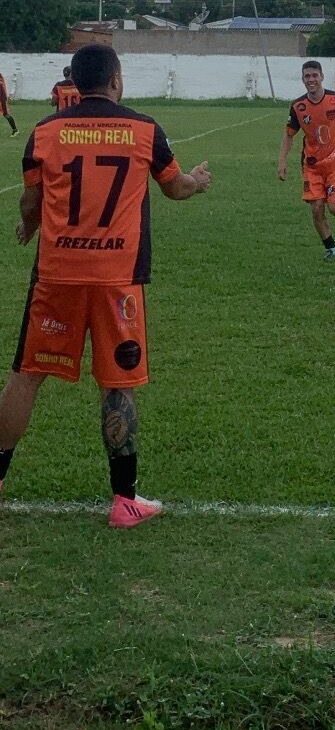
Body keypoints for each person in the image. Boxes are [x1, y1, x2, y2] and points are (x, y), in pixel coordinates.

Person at [0, 43, 212, 528]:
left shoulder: (45, 131)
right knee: (117, 383)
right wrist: (198, 182)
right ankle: (125, 501)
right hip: (118, 279)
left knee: (26, 375)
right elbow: (175, 187)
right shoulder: (144, 130)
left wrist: (30, 227)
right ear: (116, 80)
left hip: (57, 274)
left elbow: (31, 202)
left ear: (74, 83)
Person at [277, 60, 335, 260]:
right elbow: (289, 134)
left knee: (334, 208)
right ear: (302, 79)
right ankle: (331, 249)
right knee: (316, 209)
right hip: (312, 166)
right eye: (307, 76)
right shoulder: (298, 106)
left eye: (314, 75)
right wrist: (282, 161)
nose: (311, 80)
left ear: (322, 77)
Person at [0, 70, 19, 137]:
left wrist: (4, 100)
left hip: (2, 100)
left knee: (6, 115)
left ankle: (15, 130)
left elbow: (2, 92)